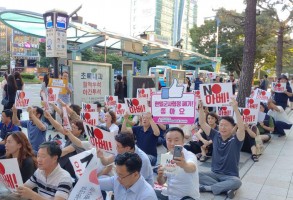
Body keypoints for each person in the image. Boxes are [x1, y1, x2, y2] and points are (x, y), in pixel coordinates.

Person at [198, 98, 245, 199]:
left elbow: (241, 128)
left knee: (237, 182)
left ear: (233, 127)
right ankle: (225, 188)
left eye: (226, 126)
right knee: (196, 174)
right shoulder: (215, 135)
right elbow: (202, 123)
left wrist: (235, 109)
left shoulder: (236, 139)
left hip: (230, 176)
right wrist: (201, 108)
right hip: (214, 173)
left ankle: (209, 188)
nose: (223, 128)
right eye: (221, 125)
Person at [156, 127, 200, 200]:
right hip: (171, 196)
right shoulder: (166, 156)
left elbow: (192, 168)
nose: (172, 143)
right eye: (169, 140)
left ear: (183, 142)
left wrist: (184, 164)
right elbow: (161, 182)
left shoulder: (189, 155)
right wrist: (160, 176)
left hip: (188, 197)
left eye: (176, 140)